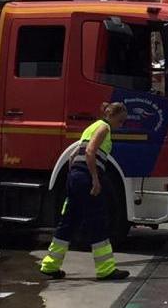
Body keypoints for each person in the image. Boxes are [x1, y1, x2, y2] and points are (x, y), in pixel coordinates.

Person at [39, 102, 131, 281]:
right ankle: (105, 269)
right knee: (98, 220)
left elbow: (73, 156)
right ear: (111, 116)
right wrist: (95, 180)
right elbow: (90, 152)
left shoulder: (92, 126)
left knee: (69, 220)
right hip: (86, 178)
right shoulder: (104, 128)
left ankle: (50, 265)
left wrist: (74, 177)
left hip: (76, 177)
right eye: (121, 121)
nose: (121, 125)